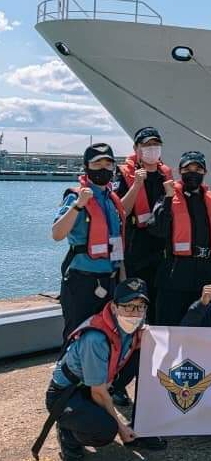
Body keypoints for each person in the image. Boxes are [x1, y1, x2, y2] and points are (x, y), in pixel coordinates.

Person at [34, 279, 166, 461]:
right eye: (128, 306)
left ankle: (139, 426)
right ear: (114, 307)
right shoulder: (95, 338)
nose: (135, 313)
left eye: (140, 307)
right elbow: (98, 392)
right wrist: (120, 427)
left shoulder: (134, 326)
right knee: (106, 430)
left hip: (96, 383)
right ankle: (68, 433)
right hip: (67, 393)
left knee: (142, 354)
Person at [53, 143, 127, 340]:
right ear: (86, 167)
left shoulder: (112, 200)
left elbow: (116, 243)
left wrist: (122, 279)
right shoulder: (75, 197)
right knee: (76, 337)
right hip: (82, 282)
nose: (103, 168)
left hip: (110, 280)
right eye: (97, 164)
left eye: (108, 164)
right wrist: (78, 205)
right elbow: (57, 234)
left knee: (108, 337)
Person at [150, 151, 211, 326]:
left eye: (198, 169)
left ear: (205, 172)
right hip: (175, 277)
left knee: (203, 328)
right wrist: (168, 199)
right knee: (170, 327)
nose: (193, 173)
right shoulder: (168, 196)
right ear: (180, 171)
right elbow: (157, 230)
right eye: (188, 169)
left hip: (206, 277)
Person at [114, 127, 173, 324]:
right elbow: (121, 211)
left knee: (159, 304)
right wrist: (136, 185)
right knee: (135, 301)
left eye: (156, 144)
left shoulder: (166, 175)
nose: (152, 149)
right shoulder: (125, 174)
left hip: (162, 249)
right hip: (136, 248)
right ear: (136, 148)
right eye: (147, 145)